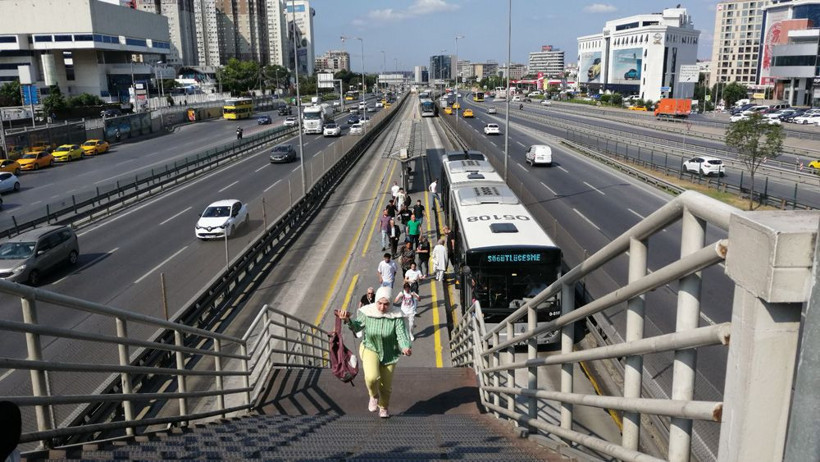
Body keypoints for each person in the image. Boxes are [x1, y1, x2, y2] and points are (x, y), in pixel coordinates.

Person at [338, 287, 411, 419]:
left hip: (390, 353)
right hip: (371, 348)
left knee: (386, 387)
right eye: (380, 303)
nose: (382, 307)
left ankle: (383, 407)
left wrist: (405, 347)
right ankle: (373, 396)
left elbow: (401, 334)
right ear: (376, 301)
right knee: (371, 377)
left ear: (390, 303)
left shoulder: (396, 315)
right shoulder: (368, 312)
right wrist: (347, 320)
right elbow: (357, 326)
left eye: (386, 304)